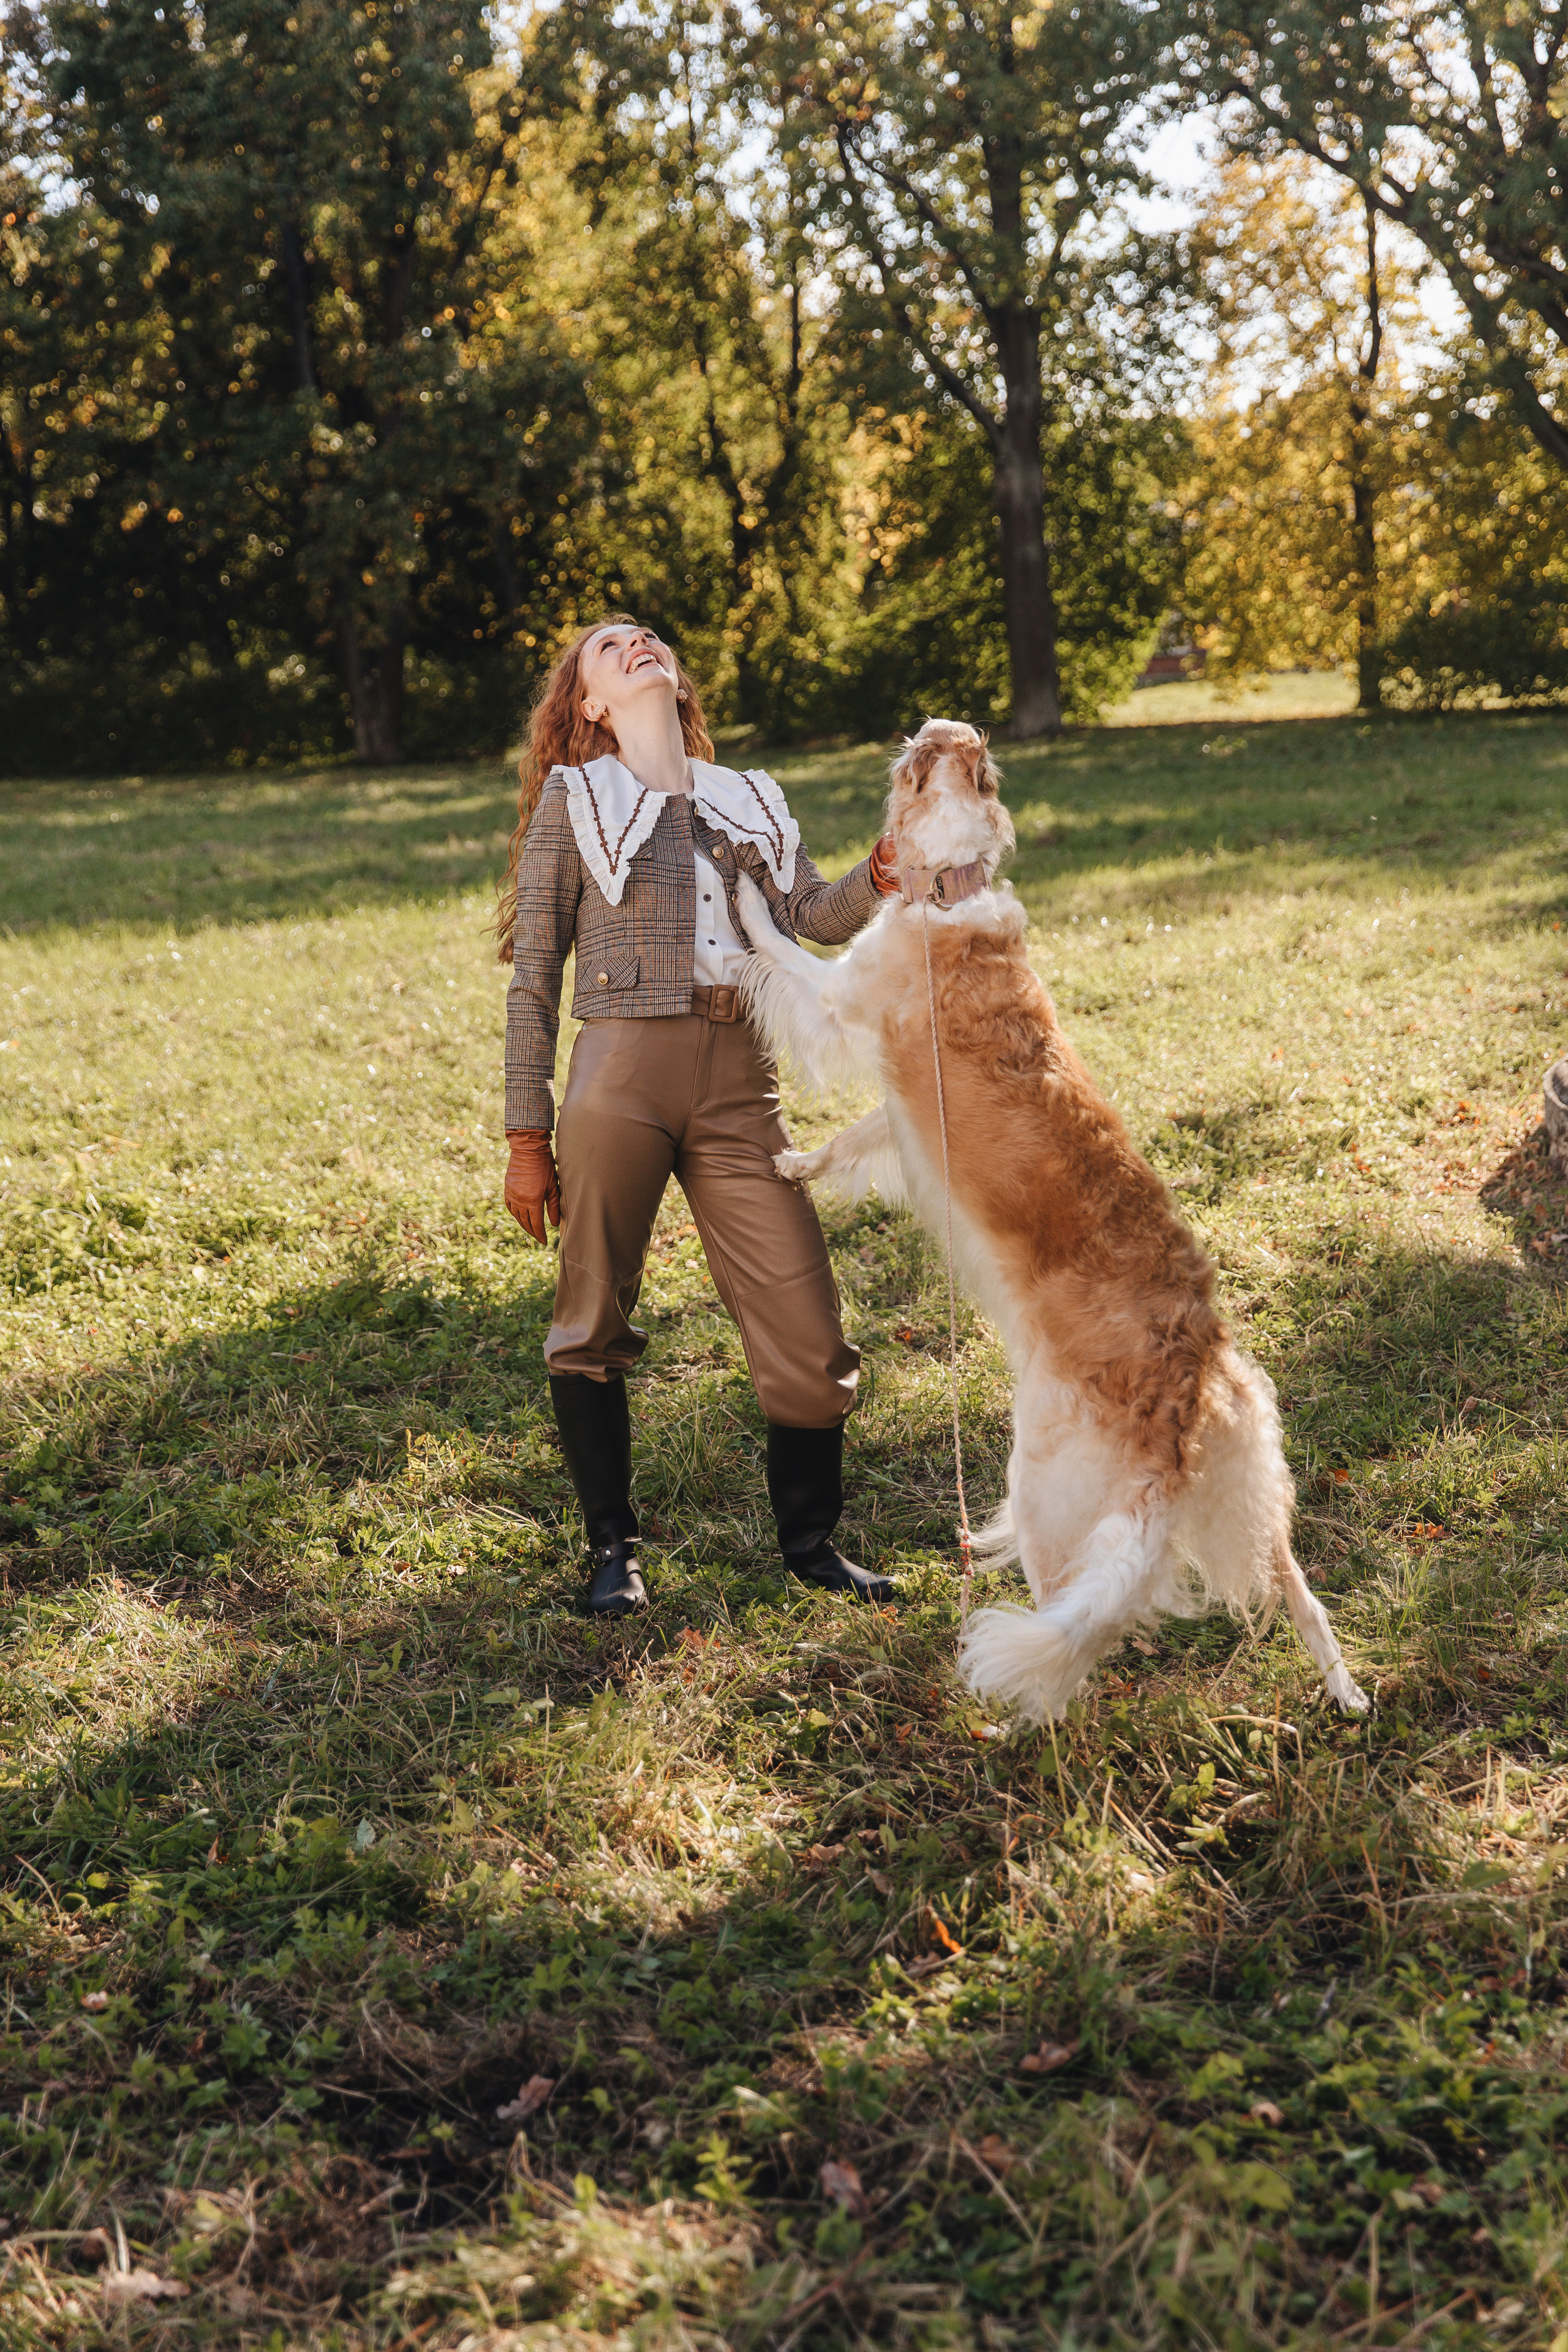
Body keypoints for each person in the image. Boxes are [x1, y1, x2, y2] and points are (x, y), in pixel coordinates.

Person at [497, 617, 902, 1616]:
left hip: (739, 1079)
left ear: (674, 677)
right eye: (606, 648)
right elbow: (533, 979)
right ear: (587, 704)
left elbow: (809, 913)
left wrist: (885, 873)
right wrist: (524, 1136)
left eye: (644, 637)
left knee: (810, 1335)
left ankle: (811, 1547)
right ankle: (612, 1554)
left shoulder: (748, 799)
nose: (633, 645)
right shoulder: (576, 798)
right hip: (618, 1074)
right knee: (591, 1319)